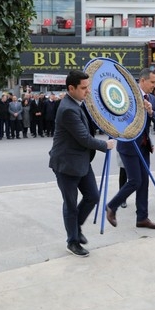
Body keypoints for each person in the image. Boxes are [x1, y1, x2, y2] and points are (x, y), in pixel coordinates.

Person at [49, 70, 116, 257]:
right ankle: (73, 241)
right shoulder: (68, 109)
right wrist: (106, 145)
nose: (87, 91)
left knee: (93, 196)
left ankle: (76, 227)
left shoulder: (76, 102)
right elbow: (84, 138)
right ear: (71, 88)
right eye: (84, 88)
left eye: (88, 87)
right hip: (66, 164)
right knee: (70, 204)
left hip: (82, 161)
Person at [106, 68, 155, 229]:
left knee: (144, 182)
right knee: (135, 181)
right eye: (152, 82)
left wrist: (151, 111)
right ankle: (112, 206)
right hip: (129, 145)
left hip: (144, 146)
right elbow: (118, 117)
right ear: (143, 81)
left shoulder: (152, 98)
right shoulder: (128, 97)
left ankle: (142, 218)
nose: (154, 85)